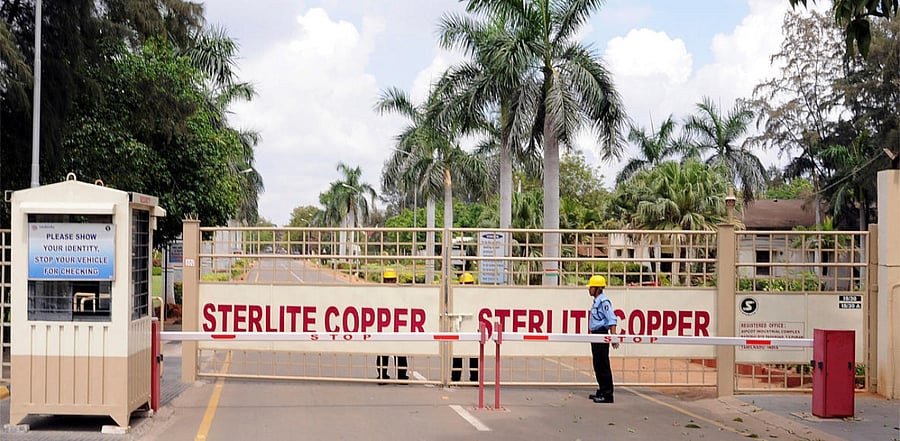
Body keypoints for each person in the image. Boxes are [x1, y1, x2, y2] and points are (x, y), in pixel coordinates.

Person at [587, 275, 618, 403]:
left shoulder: (604, 302)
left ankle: (607, 394)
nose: (589, 289)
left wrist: (613, 337)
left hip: (601, 334)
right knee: (597, 364)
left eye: (591, 287)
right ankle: (602, 389)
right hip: (595, 334)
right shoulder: (597, 302)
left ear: (598, 289)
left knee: (603, 364)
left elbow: (611, 319)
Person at [377, 269, 409, 382]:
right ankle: (382, 375)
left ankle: (401, 375)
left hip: (397, 326)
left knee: (400, 351)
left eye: (392, 280)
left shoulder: (401, 293)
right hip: (384, 326)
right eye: (388, 280)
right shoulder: (379, 293)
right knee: (383, 351)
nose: (390, 282)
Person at [451, 272, 479, 383]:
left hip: (472, 326)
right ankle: (456, 377)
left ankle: (474, 377)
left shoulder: (476, 296)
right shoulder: (456, 294)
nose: (466, 285)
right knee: (457, 353)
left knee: (474, 354)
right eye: (465, 283)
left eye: (468, 283)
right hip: (460, 327)